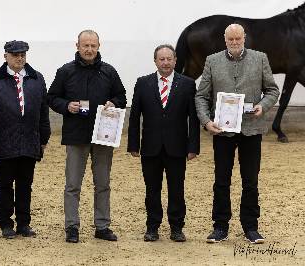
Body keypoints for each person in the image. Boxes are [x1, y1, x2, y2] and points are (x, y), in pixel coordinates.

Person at [195, 24, 280, 244]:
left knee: (250, 181)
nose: (234, 42)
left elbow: (272, 90)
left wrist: (263, 105)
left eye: (238, 39)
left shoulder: (260, 58)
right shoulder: (212, 61)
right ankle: (220, 227)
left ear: (245, 38)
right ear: (225, 40)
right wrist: (206, 121)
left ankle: (251, 227)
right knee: (221, 181)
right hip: (222, 131)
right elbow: (201, 96)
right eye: (230, 39)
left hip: (251, 130)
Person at [48, 30, 126, 243]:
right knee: (72, 184)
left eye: (93, 45)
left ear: (98, 46)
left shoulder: (109, 72)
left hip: (103, 137)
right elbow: (52, 97)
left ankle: (102, 226)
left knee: (103, 183)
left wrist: (114, 103)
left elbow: (121, 95)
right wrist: (66, 106)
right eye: (85, 46)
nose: (89, 49)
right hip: (76, 136)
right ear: (78, 46)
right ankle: (72, 227)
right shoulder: (65, 71)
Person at [127, 44, 200, 242]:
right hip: (150, 148)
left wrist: (193, 146)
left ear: (175, 61)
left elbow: (193, 118)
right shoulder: (143, 83)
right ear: (155, 61)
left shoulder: (187, 84)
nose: (166, 62)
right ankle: (152, 227)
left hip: (177, 147)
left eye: (169, 59)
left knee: (177, 189)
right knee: (152, 189)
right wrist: (133, 144)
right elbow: (134, 116)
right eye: (162, 59)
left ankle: (177, 227)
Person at [0, 40, 51, 239]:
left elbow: (43, 111)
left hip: (30, 140)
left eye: (23, 55)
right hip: (5, 141)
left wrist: (43, 137)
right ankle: (5, 223)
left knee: (25, 184)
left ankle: (23, 223)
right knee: (5, 184)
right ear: (6, 56)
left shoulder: (36, 78)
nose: (19, 58)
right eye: (15, 55)